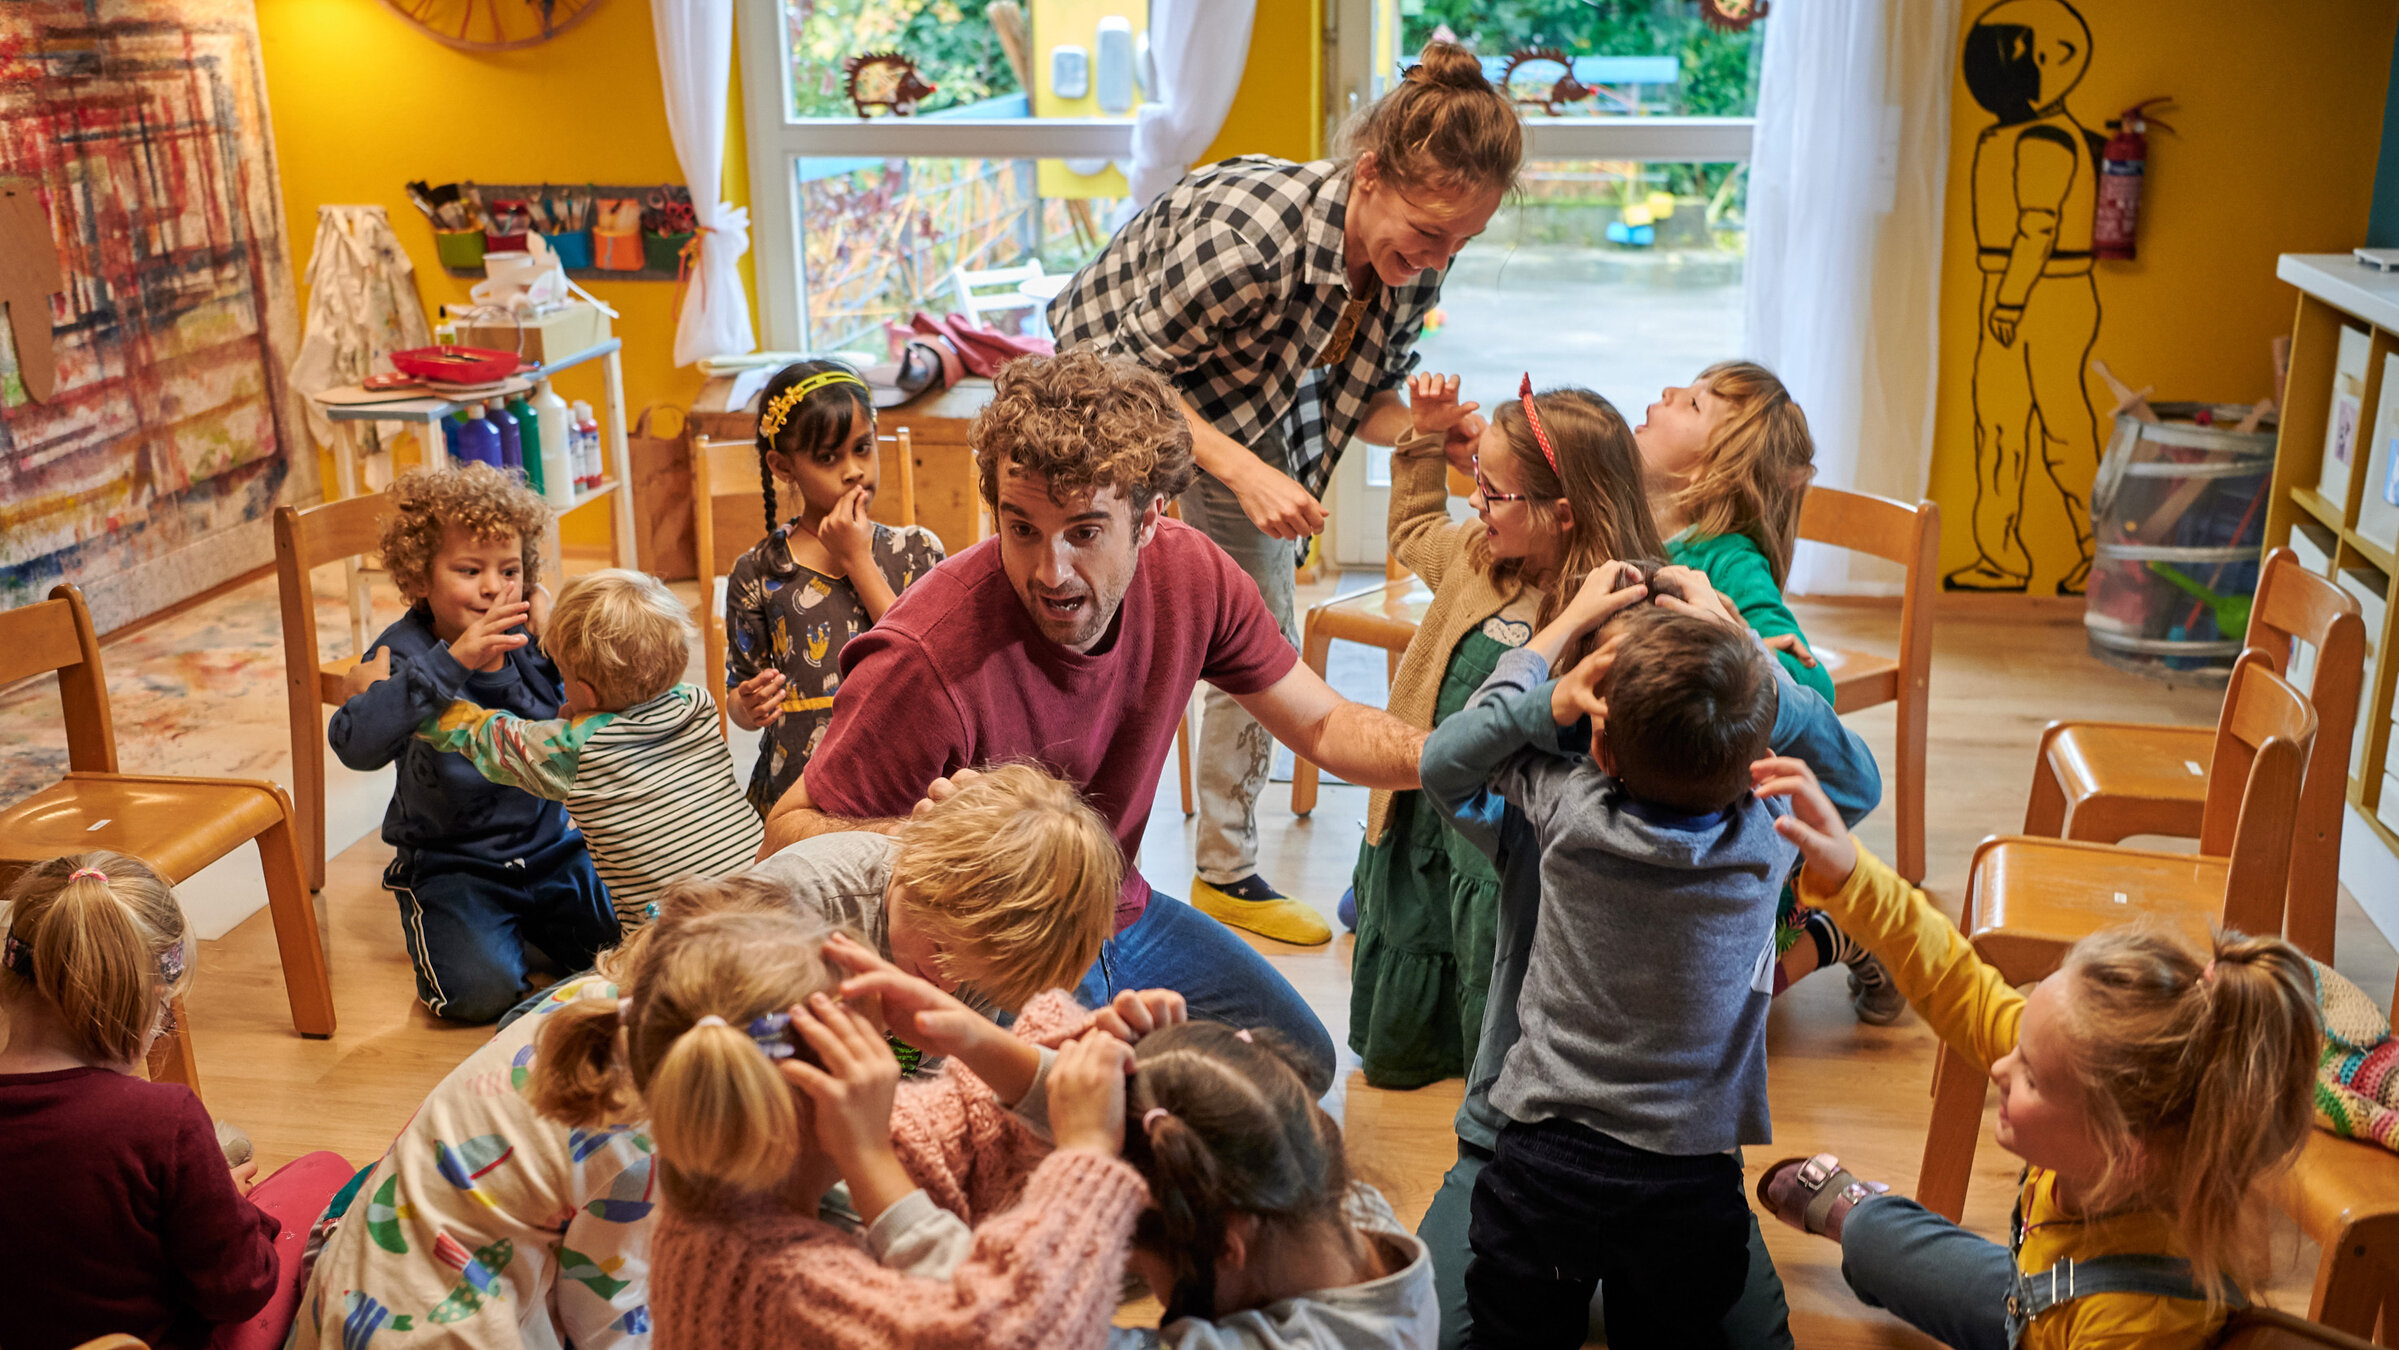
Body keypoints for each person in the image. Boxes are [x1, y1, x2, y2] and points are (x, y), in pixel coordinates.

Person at [762, 349, 1433, 1096]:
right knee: (1081, 1110)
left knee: (1293, 1064)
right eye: (1021, 530)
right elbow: (787, 831)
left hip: (1117, 912)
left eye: (1084, 532)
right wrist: (950, 842)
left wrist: (1450, 755)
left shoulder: (1194, 576)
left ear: (1149, 519)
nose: (1050, 571)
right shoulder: (924, 657)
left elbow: (1324, 726)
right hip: (999, 951)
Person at [1048, 39, 1522, 946]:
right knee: (1089, 615)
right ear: (1371, 175)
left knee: (1253, 627)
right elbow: (1120, 380)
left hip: (1231, 399)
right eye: (1429, 235)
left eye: (1462, 242)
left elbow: (1364, 394)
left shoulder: (1415, 249)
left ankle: (1223, 872)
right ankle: (1072, 852)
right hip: (1096, 389)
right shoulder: (1247, 239)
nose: (1436, 261)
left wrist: (1435, 436)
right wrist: (1240, 467)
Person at [1411, 563, 1883, 1350]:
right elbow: (1854, 783)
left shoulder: (1562, 807)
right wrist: (1749, 659)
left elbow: (1444, 760)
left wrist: (1551, 661)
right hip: (1687, 1177)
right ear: (1756, 762)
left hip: (1540, 1159)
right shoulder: (1768, 836)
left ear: (1596, 741)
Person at [1752, 758, 2321, 1350]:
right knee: (1872, 1242)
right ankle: (1861, 1215)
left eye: (2029, 1076)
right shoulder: (2097, 1097)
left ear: (2123, 1151)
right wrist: (1850, 875)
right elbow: (1957, 983)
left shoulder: (2138, 1329)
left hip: (2061, 1317)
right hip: (2033, 1298)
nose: (2000, 1067)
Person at [531, 906, 1148, 1350]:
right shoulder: (770, 1284)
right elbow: (1017, 1335)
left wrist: (982, 1042)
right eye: (873, 1051)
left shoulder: (752, 1174)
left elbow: (970, 1131)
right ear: (822, 1099)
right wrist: (1087, 1153)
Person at [1349, 373, 1664, 1090]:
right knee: (1420, 921)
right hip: (1429, 811)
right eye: (1476, 481)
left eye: (1492, 491)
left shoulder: (1615, 614)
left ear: (1563, 513)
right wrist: (1424, 438)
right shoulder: (1476, 557)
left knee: (1491, 957)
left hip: (1507, 845)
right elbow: (1412, 528)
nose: (1473, 500)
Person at [1635, 359, 1901, 1022]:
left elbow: (1809, 686)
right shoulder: (1629, 521)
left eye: (1692, 404)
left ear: (1709, 470)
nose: (1667, 393)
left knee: (1715, 1012)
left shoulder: (1726, 558)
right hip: (1652, 772)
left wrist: (1734, 630)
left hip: (1714, 804)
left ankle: (1831, 935)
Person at [330, 462, 615, 1024]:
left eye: (509, 571)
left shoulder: (530, 638)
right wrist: (455, 660)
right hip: (452, 865)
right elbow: (356, 746)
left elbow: (594, 717)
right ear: (418, 579)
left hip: (553, 848)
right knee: (476, 998)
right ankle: (495, 936)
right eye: (469, 570)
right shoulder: (403, 652)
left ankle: (524, 932)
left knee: (626, 949)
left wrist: (560, 642)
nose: (492, 587)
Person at [0, 852, 277, 1350]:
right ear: (144, 997)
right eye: (163, 1015)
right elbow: (238, 1291)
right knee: (325, 1180)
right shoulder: (162, 1122)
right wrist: (232, 1208)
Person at [417, 567, 762, 931]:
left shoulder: (575, 749)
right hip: (765, 892)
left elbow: (485, 735)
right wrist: (584, 710)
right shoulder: (698, 703)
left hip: (678, 937)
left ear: (588, 691)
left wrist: (409, 700)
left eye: (564, 676)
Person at [1115, 1021, 1439, 1348]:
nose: (1154, 1293)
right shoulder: (1360, 1221)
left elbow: (1065, 1332)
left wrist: (1083, 1145)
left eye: (1144, 1274)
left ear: (1227, 1246)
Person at [726, 359, 946, 816]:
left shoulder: (918, 552)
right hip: (799, 799)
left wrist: (857, 559)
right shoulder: (757, 572)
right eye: (828, 458)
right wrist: (747, 707)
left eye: (863, 448)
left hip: (901, 791)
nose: (852, 471)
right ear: (783, 466)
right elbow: (740, 695)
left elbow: (926, 669)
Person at [749, 760, 1119, 1017]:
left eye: (970, 977)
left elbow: (927, 1069)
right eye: (941, 949)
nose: (948, 982)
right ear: (916, 864)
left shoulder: (978, 952)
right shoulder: (800, 894)